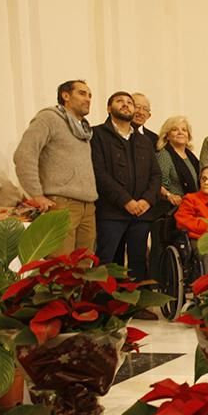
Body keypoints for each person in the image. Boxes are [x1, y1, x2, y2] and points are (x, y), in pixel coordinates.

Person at [13, 79, 98, 254]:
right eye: (82, 93)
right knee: (59, 267)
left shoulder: (84, 130)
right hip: (61, 203)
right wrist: (36, 195)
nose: (88, 99)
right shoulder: (49, 118)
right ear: (65, 96)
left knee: (84, 268)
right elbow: (24, 154)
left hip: (88, 207)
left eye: (90, 95)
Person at [90, 91, 161, 284]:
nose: (126, 105)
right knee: (108, 260)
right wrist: (126, 201)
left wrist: (147, 200)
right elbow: (99, 173)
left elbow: (155, 175)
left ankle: (138, 303)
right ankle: (106, 306)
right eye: (120, 101)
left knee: (138, 260)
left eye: (130, 102)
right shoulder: (97, 135)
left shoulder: (144, 141)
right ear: (108, 108)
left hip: (141, 213)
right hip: (112, 211)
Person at [155, 116, 201, 210]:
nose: (180, 132)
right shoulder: (164, 155)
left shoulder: (190, 156)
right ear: (167, 135)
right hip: (175, 208)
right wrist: (169, 195)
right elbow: (158, 184)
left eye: (184, 130)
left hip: (192, 206)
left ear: (188, 135)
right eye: (175, 129)